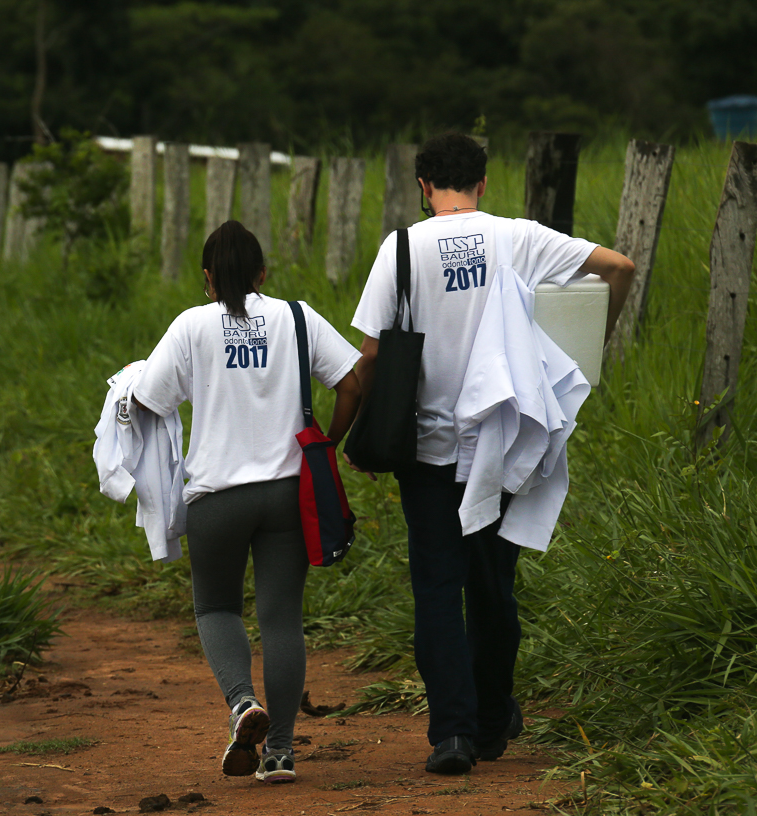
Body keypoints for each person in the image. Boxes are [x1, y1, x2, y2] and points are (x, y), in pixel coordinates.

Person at [347, 133, 635, 774]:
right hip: (503, 444)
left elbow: (371, 355)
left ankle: (451, 735)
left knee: (436, 589)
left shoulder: (400, 249)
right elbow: (620, 267)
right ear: (484, 181)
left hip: (427, 450)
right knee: (493, 586)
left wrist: (363, 434)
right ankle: (491, 718)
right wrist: (585, 357)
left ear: (423, 187)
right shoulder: (520, 237)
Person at [131, 220, 363, 784]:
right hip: (288, 495)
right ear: (263, 274)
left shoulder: (192, 326)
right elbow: (354, 379)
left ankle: (241, 705)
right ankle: (280, 751)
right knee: (281, 618)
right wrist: (328, 442)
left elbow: (147, 398)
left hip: (218, 498)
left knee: (215, 608)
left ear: (208, 279)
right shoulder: (297, 317)